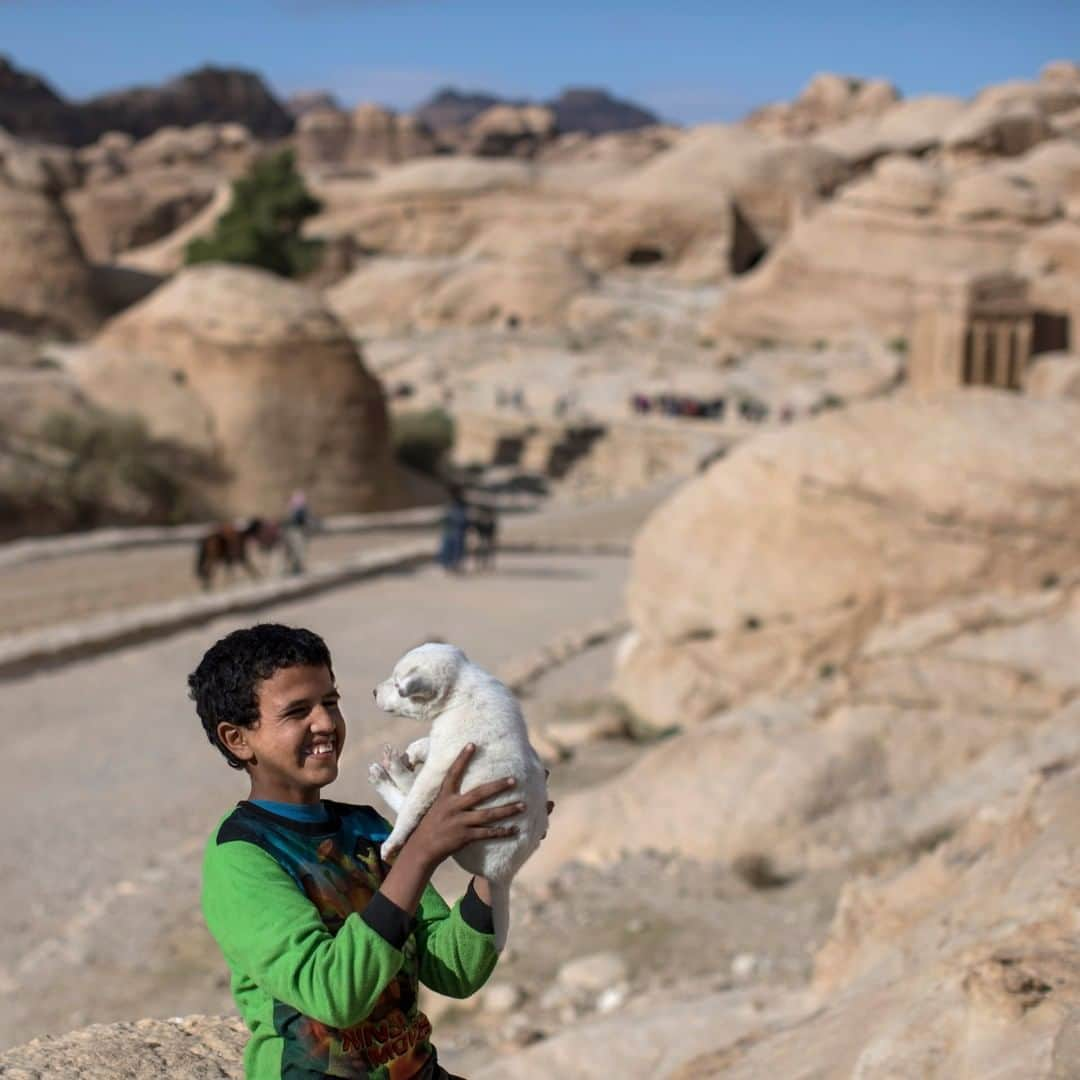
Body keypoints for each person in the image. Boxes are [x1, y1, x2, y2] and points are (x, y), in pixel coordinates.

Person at [191, 623, 529, 1080]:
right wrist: (421, 851)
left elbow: (454, 969)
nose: (326, 723)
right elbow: (334, 995)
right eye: (297, 712)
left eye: (331, 702)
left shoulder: (366, 829)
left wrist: (497, 854)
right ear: (237, 738)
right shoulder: (242, 855)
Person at [437, 486, 469, 574]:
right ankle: (450, 565)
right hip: (452, 528)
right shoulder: (451, 503)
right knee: (450, 547)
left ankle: (453, 565)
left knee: (456, 548)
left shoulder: (460, 503)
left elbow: (464, 517)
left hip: (457, 528)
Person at [282, 490, 311, 576]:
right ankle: (295, 568)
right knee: (296, 550)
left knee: (298, 550)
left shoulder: (298, 509)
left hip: (297, 531)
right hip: (296, 531)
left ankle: (296, 568)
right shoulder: (297, 509)